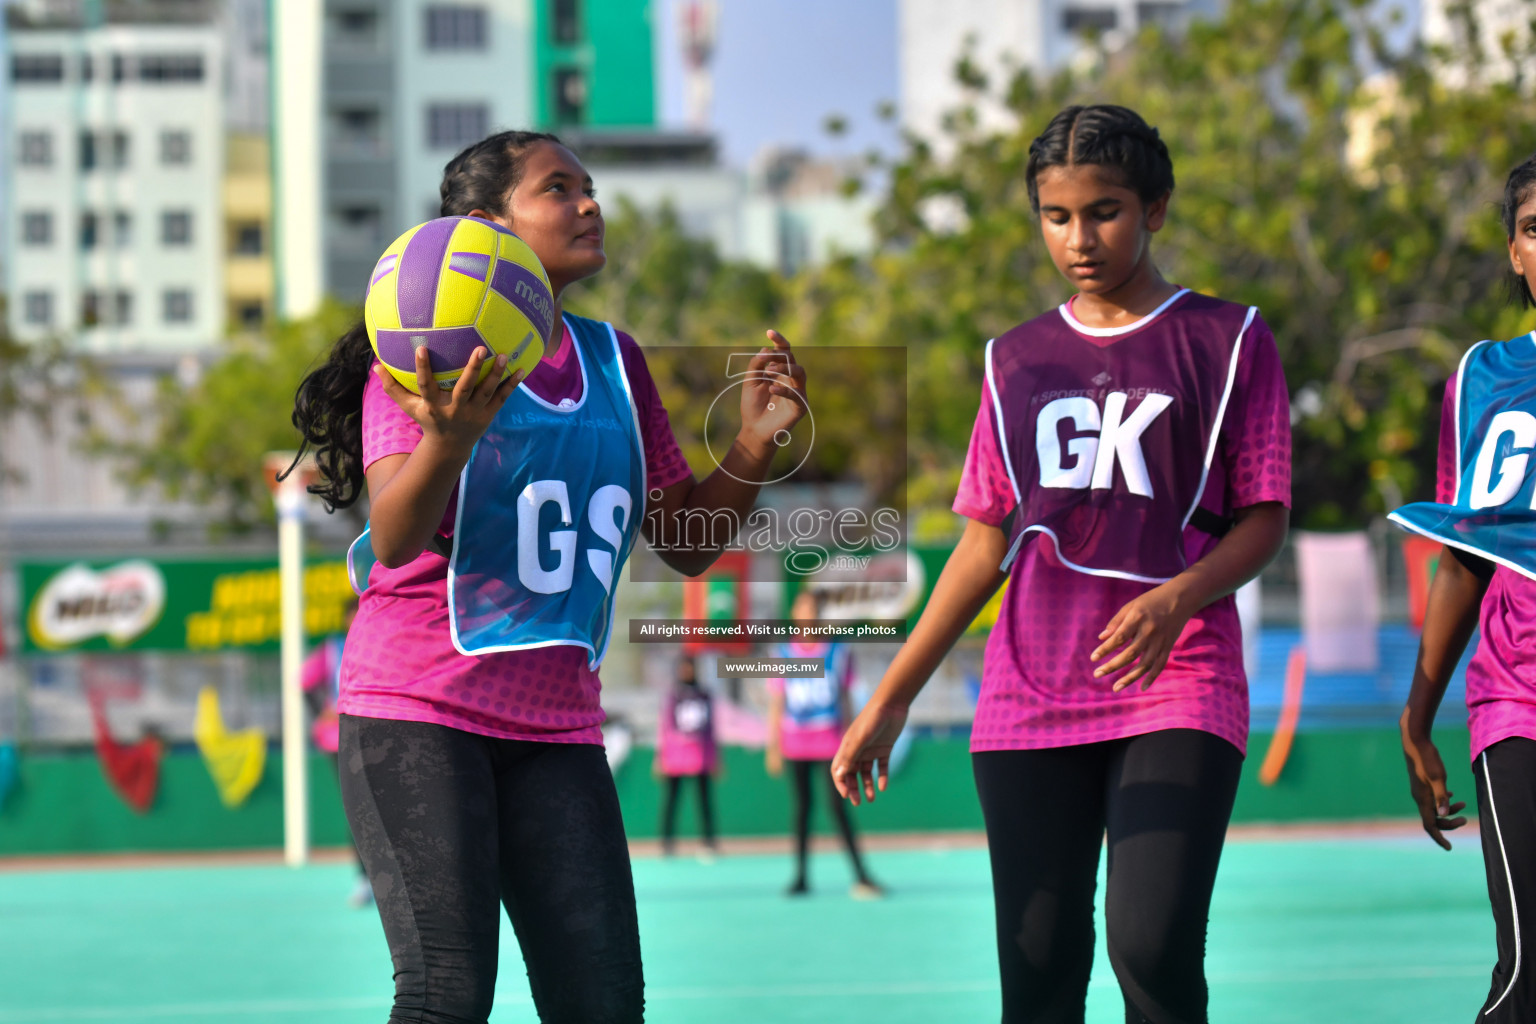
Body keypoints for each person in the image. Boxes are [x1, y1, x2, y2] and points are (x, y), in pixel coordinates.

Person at [290, 129, 807, 1024]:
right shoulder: (421, 349)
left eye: (589, 187)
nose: (589, 204)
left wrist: (756, 444)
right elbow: (397, 536)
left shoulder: (615, 360)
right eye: (557, 189)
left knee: (604, 1004)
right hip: (421, 707)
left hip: (558, 726)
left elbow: (684, 540)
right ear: (486, 227)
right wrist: (449, 440)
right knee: (447, 994)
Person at [830, 104, 1292, 1024]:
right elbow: (984, 543)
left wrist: (1180, 599)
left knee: (1151, 945)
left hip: (1178, 681)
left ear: (1156, 207)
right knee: (1038, 971)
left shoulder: (1230, 340)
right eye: (1056, 216)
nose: (1079, 238)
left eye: (1105, 211)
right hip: (1029, 696)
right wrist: (890, 698)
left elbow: (1264, 520)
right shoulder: (1016, 361)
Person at [1393, 153, 1536, 1023]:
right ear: (1515, 254)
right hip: (1519, 700)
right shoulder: (1483, 379)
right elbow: (1463, 556)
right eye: (1535, 230)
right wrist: (1416, 714)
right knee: (1528, 978)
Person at [766, 589, 881, 898]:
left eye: (813, 608)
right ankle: (801, 876)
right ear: (794, 614)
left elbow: (845, 697)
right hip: (795, 742)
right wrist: (773, 746)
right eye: (803, 608)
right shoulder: (783, 654)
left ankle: (861, 874)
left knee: (838, 807)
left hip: (830, 741)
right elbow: (777, 700)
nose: (809, 614)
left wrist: (852, 738)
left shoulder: (837, 652)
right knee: (802, 808)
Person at [300, 630, 373, 907]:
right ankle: (363, 879)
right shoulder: (333, 648)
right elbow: (304, 681)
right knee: (360, 806)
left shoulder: (382, 634)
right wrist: (321, 711)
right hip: (338, 737)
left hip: (379, 731)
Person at [655, 655, 719, 857]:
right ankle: (667, 841)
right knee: (672, 800)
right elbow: (664, 727)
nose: (686, 672)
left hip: (700, 756)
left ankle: (708, 841)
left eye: (689, 668)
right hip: (676, 756)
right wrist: (661, 757)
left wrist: (715, 757)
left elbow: (711, 729)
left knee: (704, 800)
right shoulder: (673, 695)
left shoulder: (704, 694)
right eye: (683, 668)